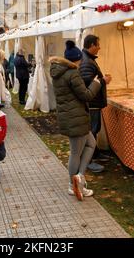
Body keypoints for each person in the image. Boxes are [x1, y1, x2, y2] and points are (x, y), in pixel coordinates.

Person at [49, 40, 101, 200]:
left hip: (71, 116)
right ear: (76, 60)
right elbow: (86, 95)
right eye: (79, 59)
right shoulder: (72, 73)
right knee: (75, 152)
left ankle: (79, 176)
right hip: (76, 118)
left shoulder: (59, 72)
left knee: (91, 144)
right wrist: (97, 83)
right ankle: (73, 185)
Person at [79, 35, 112, 173]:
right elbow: (87, 83)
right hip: (91, 103)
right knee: (92, 130)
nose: (99, 47)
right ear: (91, 45)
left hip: (93, 103)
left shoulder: (88, 59)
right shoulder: (87, 61)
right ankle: (88, 160)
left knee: (94, 129)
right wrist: (103, 80)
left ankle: (95, 153)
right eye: (98, 45)